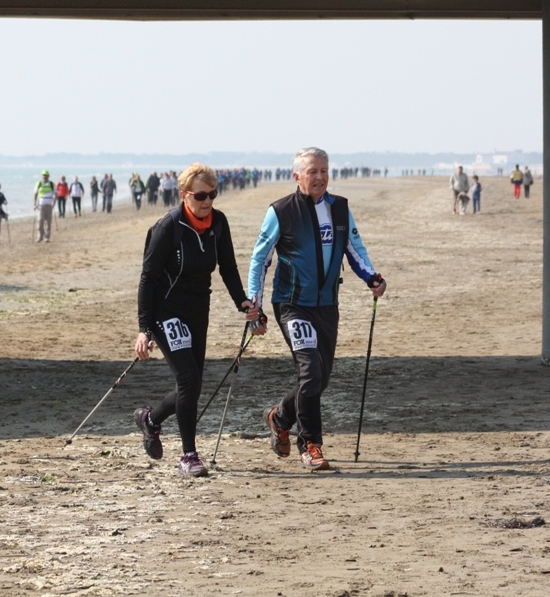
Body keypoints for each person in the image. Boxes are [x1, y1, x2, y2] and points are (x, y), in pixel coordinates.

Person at [249, 147, 387, 471]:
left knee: (320, 379)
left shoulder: (339, 208)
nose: (320, 177)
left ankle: (279, 417)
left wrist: (372, 277)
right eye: (313, 171)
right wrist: (255, 306)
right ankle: (311, 446)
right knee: (310, 372)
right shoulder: (280, 211)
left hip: (327, 305)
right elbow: (260, 259)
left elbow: (354, 248)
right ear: (297, 176)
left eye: (324, 171)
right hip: (292, 304)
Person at [133, 162, 262, 477]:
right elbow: (148, 279)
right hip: (166, 312)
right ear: (184, 194)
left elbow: (228, 267)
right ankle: (188, 456)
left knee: (191, 385)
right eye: (201, 196)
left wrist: (242, 302)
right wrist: (144, 329)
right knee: (189, 378)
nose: (207, 202)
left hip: (197, 311)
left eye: (212, 195)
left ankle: (149, 419)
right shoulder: (168, 227)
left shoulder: (219, 223)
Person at [34, 171, 55, 243]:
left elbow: (56, 193)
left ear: (48, 176)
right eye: (43, 175)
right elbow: (35, 193)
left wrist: (54, 203)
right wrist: (34, 204)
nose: (44, 176)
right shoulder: (39, 183)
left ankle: (47, 237)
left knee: (48, 222)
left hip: (49, 205)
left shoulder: (52, 184)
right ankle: (40, 236)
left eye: (46, 175)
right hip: (41, 205)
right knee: (40, 220)